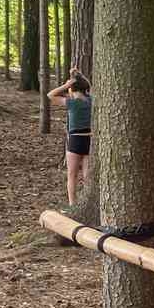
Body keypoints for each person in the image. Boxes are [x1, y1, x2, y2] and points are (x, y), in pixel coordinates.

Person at [47, 68, 93, 205]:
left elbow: (50, 95)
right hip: (89, 139)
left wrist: (66, 85)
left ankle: (73, 204)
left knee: (72, 175)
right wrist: (80, 76)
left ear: (71, 89)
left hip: (75, 140)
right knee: (87, 176)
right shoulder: (91, 101)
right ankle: (88, 203)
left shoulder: (71, 103)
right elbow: (89, 86)